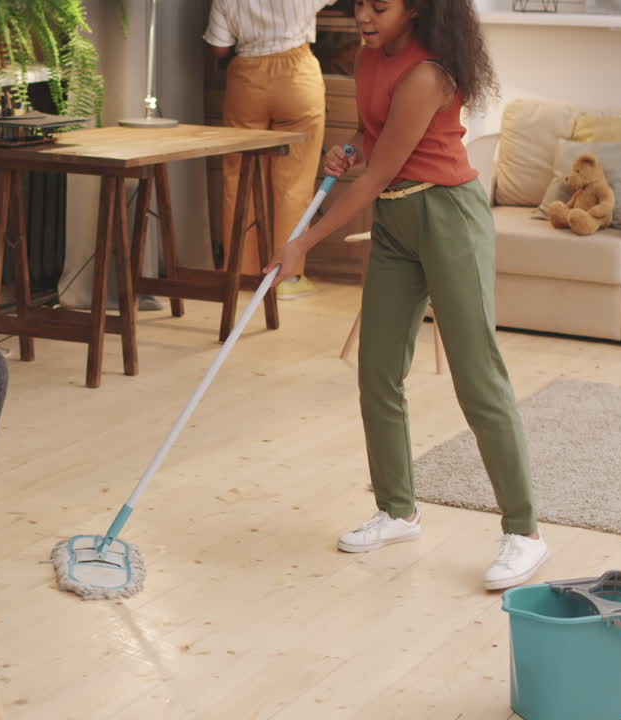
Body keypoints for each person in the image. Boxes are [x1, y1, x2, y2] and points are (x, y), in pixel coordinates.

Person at [264, 0, 547, 590]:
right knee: (378, 371)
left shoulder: (427, 74)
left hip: (448, 220)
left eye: (380, 6)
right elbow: (373, 140)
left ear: (414, 7)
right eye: (360, 4)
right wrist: (349, 147)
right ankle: (397, 510)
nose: (364, 16)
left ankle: (524, 532)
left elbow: (378, 175)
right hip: (396, 224)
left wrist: (303, 243)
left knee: (478, 377)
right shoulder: (370, 57)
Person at [204, 0, 332, 300]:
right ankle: (288, 277)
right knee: (295, 182)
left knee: (240, 177)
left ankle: (244, 273)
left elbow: (219, 48)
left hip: (247, 79)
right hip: (297, 76)